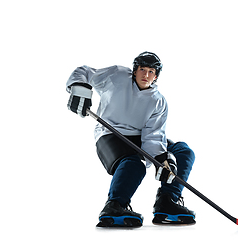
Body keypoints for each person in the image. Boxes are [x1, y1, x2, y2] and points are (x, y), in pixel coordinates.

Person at [66, 52, 196, 227]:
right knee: (133, 163)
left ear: (156, 76)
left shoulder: (158, 102)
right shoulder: (116, 76)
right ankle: (115, 205)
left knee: (182, 152)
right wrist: (79, 87)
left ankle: (167, 201)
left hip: (140, 137)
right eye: (142, 69)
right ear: (135, 71)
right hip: (109, 132)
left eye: (151, 71)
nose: (146, 75)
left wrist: (161, 160)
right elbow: (85, 72)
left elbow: (153, 135)